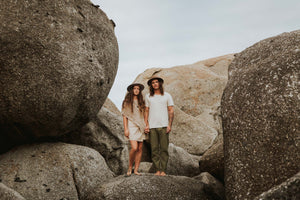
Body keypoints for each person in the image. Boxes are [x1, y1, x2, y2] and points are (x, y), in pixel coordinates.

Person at [145, 76, 174, 176]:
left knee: (164, 149)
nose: (155, 84)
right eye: (153, 83)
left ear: (160, 83)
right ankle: (158, 169)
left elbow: (171, 110)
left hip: (164, 126)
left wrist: (169, 125)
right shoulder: (148, 96)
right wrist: (146, 124)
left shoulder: (167, 96)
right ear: (151, 85)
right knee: (154, 149)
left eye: (156, 82)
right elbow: (146, 111)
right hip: (152, 126)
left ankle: (163, 170)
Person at [122, 83, 147, 176]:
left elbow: (145, 115)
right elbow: (125, 116)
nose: (136, 90)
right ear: (131, 90)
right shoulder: (127, 102)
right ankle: (129, 167)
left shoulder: (142, 102)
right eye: (134, 88)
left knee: (140, 148)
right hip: (131, 126)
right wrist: (126, 129)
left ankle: (136, 170)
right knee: (134, 148)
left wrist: (146, 126)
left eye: (138, 89)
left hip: (141, 126)